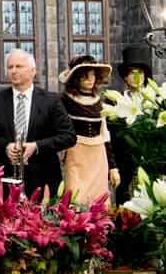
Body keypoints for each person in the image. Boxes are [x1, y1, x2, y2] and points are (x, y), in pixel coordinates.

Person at [0, 48, 76, 274]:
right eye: (10, 67)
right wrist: (5, 145)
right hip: (8, 181)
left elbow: (68, 136)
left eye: (19, 67)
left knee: (49, 237)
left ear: (33, 70)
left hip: (43, 179)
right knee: (12, 237)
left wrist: (38, 146)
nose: (13, 72)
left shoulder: (50, 101)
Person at [58, 55, 119, 207]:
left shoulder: (101, 101)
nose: (90, 79)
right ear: (76, 78)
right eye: (85, 76)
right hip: (75, 153)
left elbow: (105, 136)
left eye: (92, 75)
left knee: (99, 200)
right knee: (74, 198)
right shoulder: (65, 100)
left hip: (98, 156)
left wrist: (113, 167)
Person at [110, 46, 153, 204]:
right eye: (132, 73)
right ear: (125, 77)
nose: (136, 77)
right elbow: (111, 139)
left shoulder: (156, 101)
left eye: (140, 72)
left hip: (152, 166)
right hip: (125, 168)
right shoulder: (115, 102)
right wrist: (112, 167)